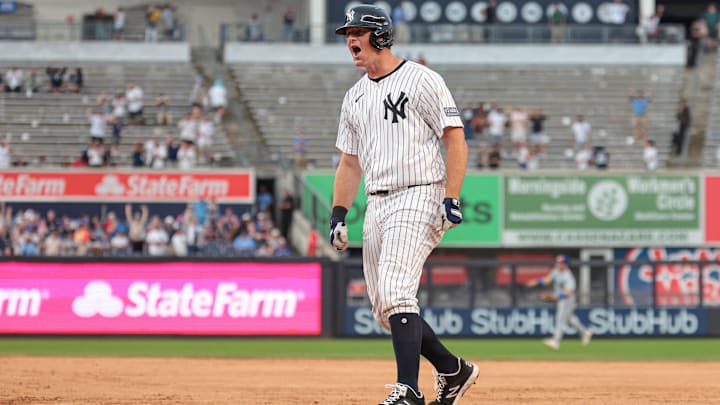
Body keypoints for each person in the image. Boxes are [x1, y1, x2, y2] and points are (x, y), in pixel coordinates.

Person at [331, 5, 479, 405]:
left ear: (380, 35)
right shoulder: (355, 96)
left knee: (397, 292)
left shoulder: (421, 79)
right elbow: (349, 161)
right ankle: (453, 369)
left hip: (420, 191)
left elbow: (455, 138)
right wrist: (339, 213)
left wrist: (451, 196)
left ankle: (408, 391)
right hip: (377, 203)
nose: (350, 40)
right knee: (385, 308)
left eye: (358, 31)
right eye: (347, 33)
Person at [525, 254, 593, 350]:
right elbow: (547, 280)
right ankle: (585, 332)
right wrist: (536, 282)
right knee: (569, 319)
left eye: (560, 263)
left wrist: (553, 296)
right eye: (557, 262)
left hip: (567, 300)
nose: (558, 264)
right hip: (561, 299)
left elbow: (569, 292)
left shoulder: (568, 276)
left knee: (560, 319)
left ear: (565, 264)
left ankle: (556, 341)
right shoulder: (556, 271)